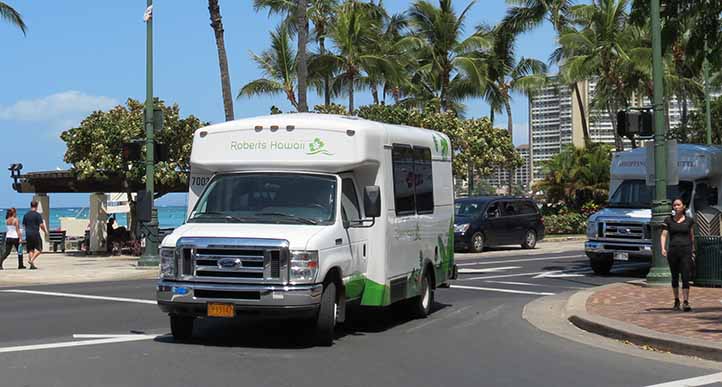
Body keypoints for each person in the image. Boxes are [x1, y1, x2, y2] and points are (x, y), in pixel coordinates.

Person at [661, 198, 696, 312]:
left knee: (686, 276)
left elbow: (692, 236)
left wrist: (693, 249)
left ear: (683, 206)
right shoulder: (668, 220)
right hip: (673, 251)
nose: (676, 207)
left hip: (686, 251)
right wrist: (663, 248)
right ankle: (676, 300)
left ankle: (686, 301)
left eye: (678, 205)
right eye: (674, 205)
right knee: (675, 276)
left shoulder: (689, 220)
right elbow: (664, 235)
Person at [22, 201, 47, 270]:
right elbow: (41, 225)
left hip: (28, 234)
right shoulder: (37, 215)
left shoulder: (26, 215)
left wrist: (26, 232)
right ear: (36, 206)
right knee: (39, 249)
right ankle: (31, 260)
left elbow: (23, 225)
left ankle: (31, 265)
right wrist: (45, 231)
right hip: (35, 233)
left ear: (30, 206)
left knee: (31, 249)